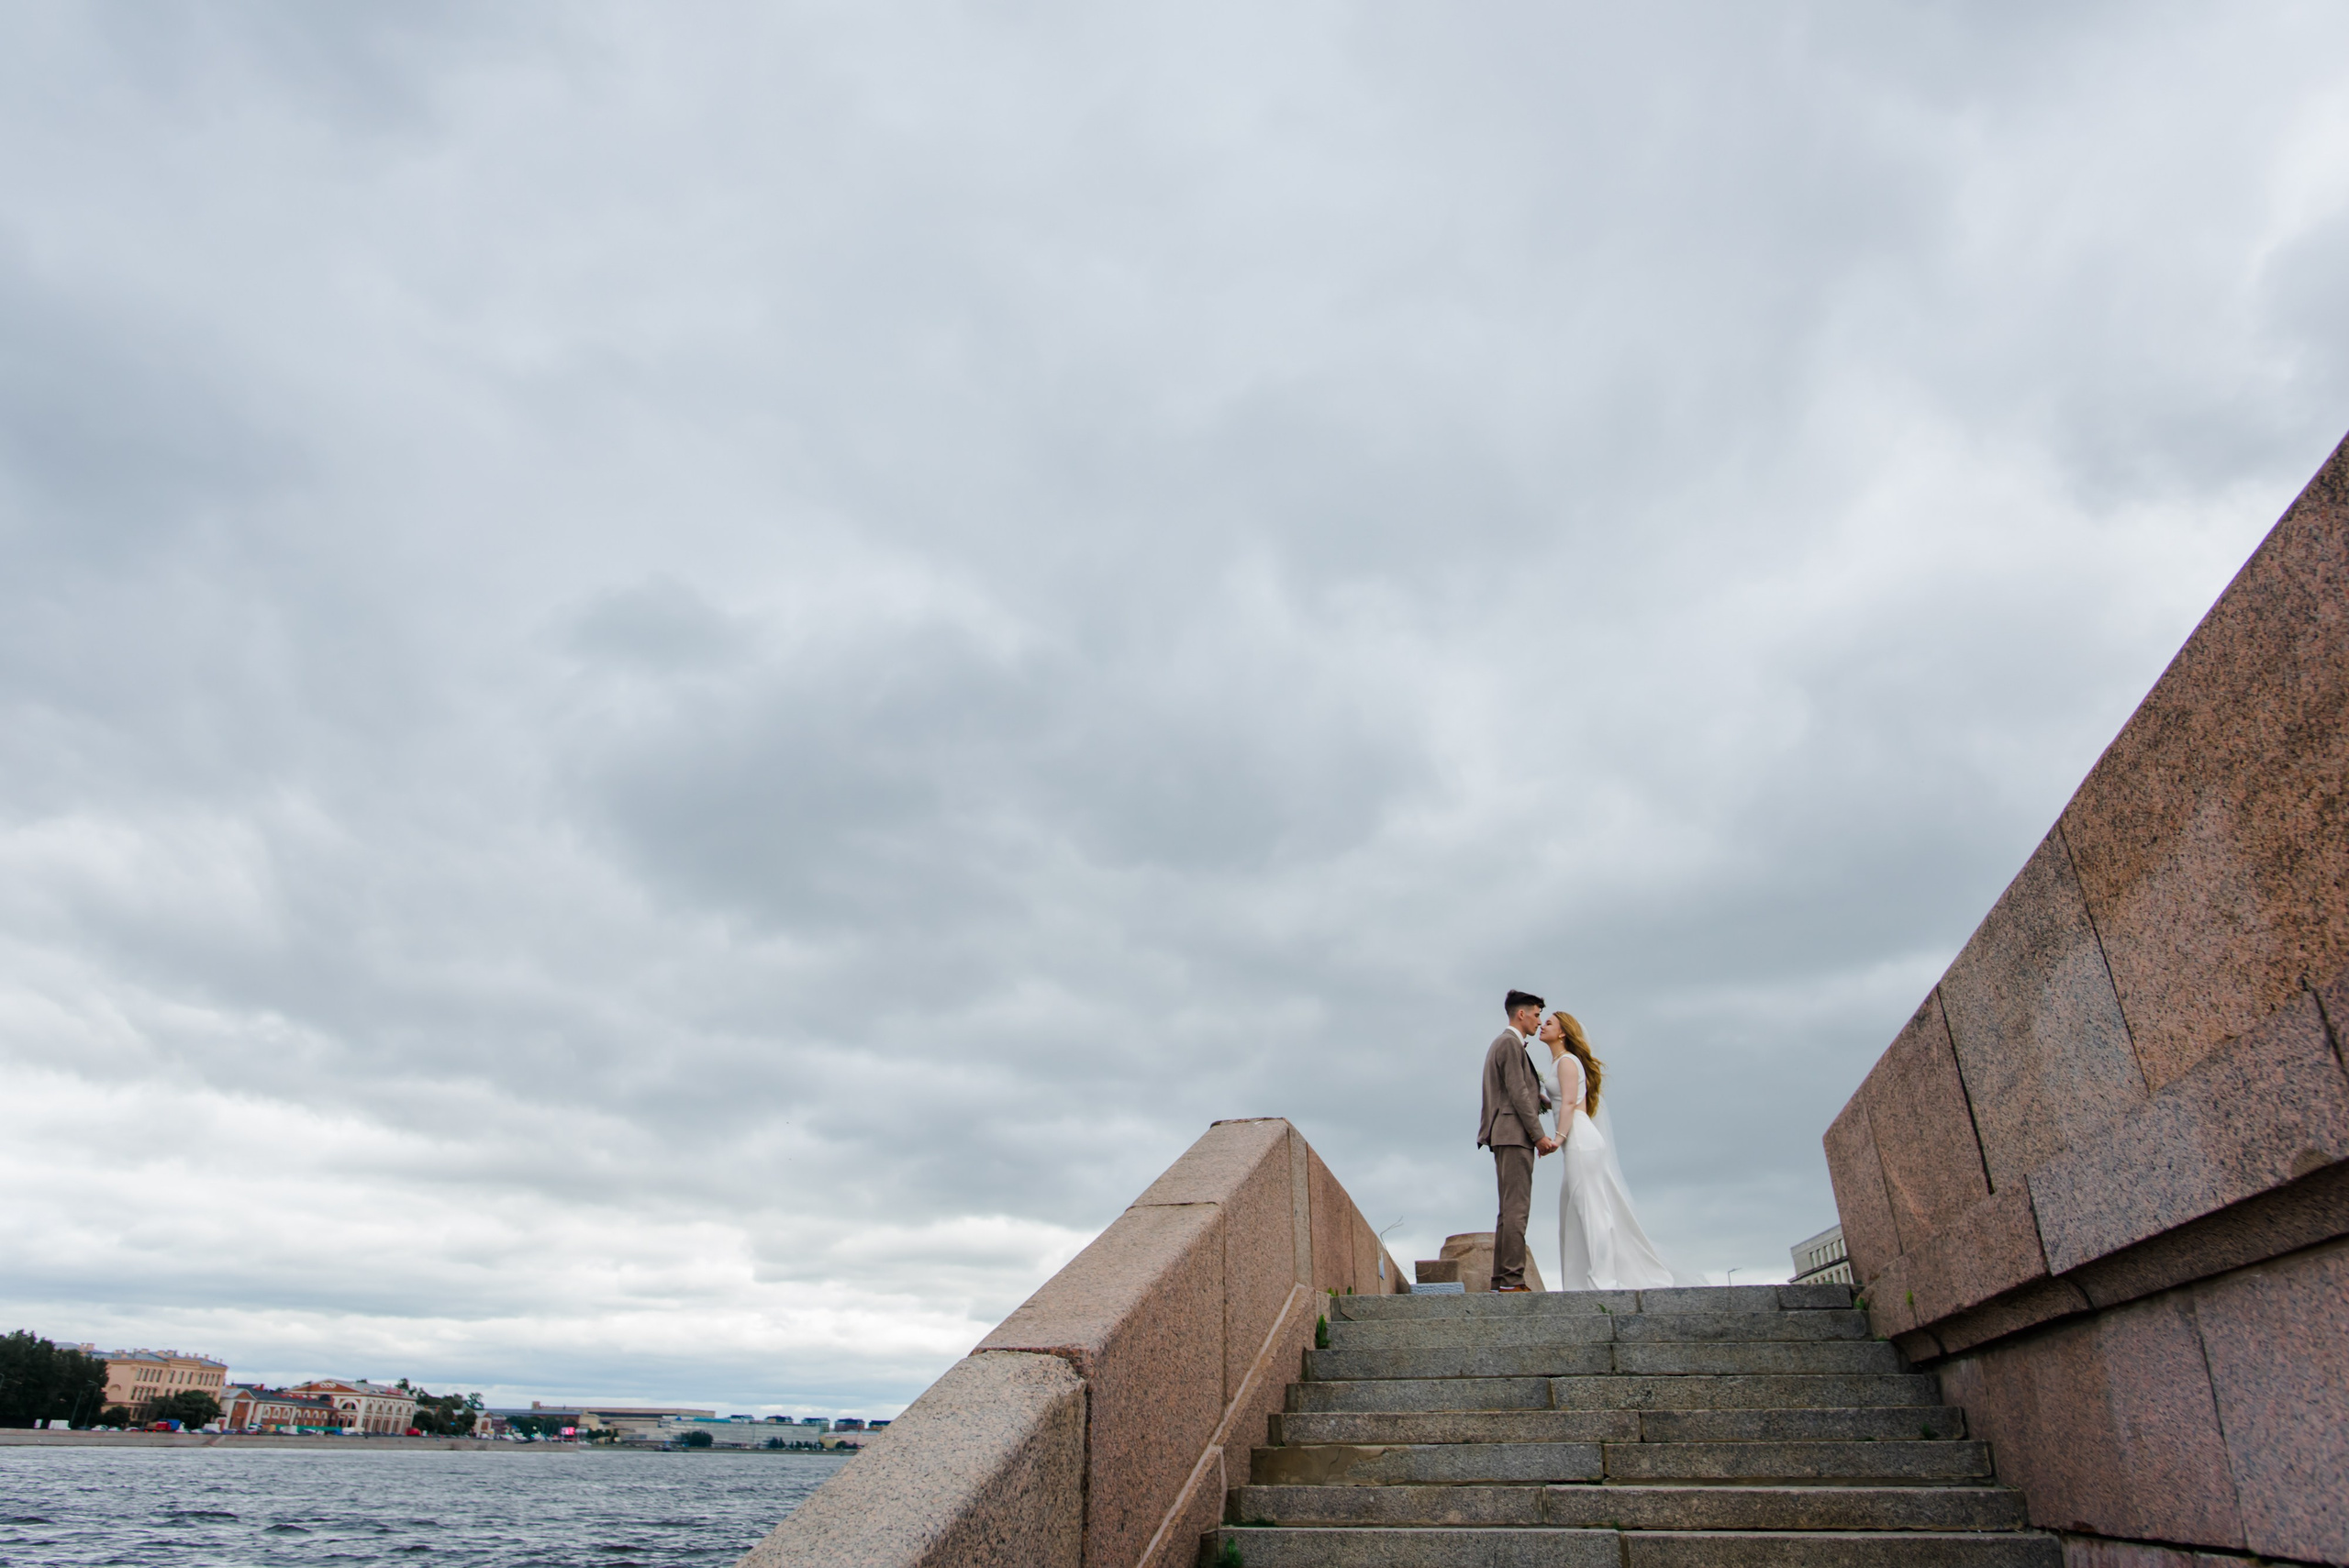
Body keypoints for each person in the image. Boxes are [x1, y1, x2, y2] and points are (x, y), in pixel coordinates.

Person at [1534, 1009, 1701, 1290]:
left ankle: (1603, 1280)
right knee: (1575, 1211)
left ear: (1562, 1032)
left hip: (1580, 1142)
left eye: (1548, 1023)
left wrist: (1558, 1138)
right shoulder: (1559, 1064)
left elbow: (1573, 1107)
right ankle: (1584, 1280)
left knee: (1591, 1210)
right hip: (1579, 1140)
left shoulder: (1566, 1062)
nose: (1542, 1026)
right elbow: (1570, 1101)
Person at [1477, 989, 1561, 1292]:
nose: (1539, 1022)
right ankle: (1512, 1281)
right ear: (1521, 1014)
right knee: (1516, 1210)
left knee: (1507, 1211)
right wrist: (1539, 1137)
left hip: (1505, 1134)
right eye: (1537, 1015)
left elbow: (1518, 1091)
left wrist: (1556, 1101)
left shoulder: (1504, 1044)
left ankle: (1501, 1280)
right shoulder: (1510, 1044)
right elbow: (1517, 1093)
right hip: (1514, 1136)